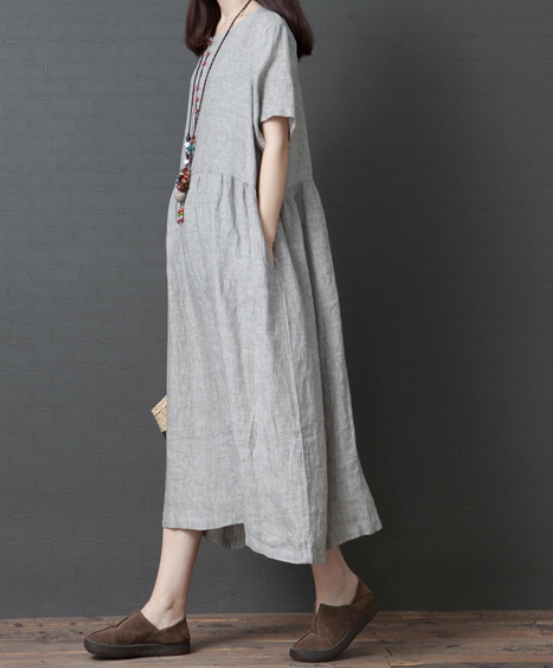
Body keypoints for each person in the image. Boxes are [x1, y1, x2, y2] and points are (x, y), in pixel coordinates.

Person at [84, 0, 383, 662]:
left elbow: (276, 142)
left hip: (250, 253)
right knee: (198, 419)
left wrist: (257, 249)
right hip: (202, 260)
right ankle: (166, 609)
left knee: (277, 415)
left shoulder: (265, 29)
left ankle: (339, 588)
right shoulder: (214, 37)